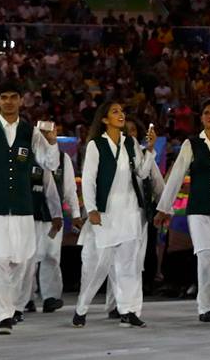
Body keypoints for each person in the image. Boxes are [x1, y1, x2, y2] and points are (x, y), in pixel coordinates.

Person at [0, 80, 60, 335]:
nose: (8, 101)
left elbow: (50, 163)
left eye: (13, 97)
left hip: (22, 207)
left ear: (20, 100)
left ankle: (15, 306)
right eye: (3, 97)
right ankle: (1, 316)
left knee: (24, 259)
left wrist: (51, 142)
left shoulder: (31, 133)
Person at [73, 101, 155, 328]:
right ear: (105, 119)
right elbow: (88, 180)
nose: (121, 115)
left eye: (122, 111)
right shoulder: (95, 145)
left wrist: (149, 149)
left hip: (129, 212)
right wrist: (91, 209)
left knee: (128, 266)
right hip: (106, 213)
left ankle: (128, 310)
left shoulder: (131, 143)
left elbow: (142, 172)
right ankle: (81, 308)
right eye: (115, 112)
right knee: (98, 266)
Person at [154, 98, 210, 322]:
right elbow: (176, 176)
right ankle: (205, 307)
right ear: (201, 117)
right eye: (206, 112)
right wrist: (164, 208)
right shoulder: (192, 144)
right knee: (206, 256)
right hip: (198, 210)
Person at [104, 117, 164, 316]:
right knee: (115, 261)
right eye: (126, 130)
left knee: (134, 261)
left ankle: (128, 305)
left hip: (139, 215)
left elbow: (156, 182)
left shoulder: (144, 155)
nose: (129, 134)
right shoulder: (111, 156)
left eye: (133, 131)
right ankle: (115, 304)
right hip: (116, 213)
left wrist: (164, 209)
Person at [18, 148, 65, 314]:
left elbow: (60, 189)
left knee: (51, 256)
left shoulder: (61, 159)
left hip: (48, 216)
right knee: (26, 257)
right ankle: (26, 298)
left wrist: (60, 213)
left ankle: (50, 297)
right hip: (24, 215)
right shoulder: (20, 156)